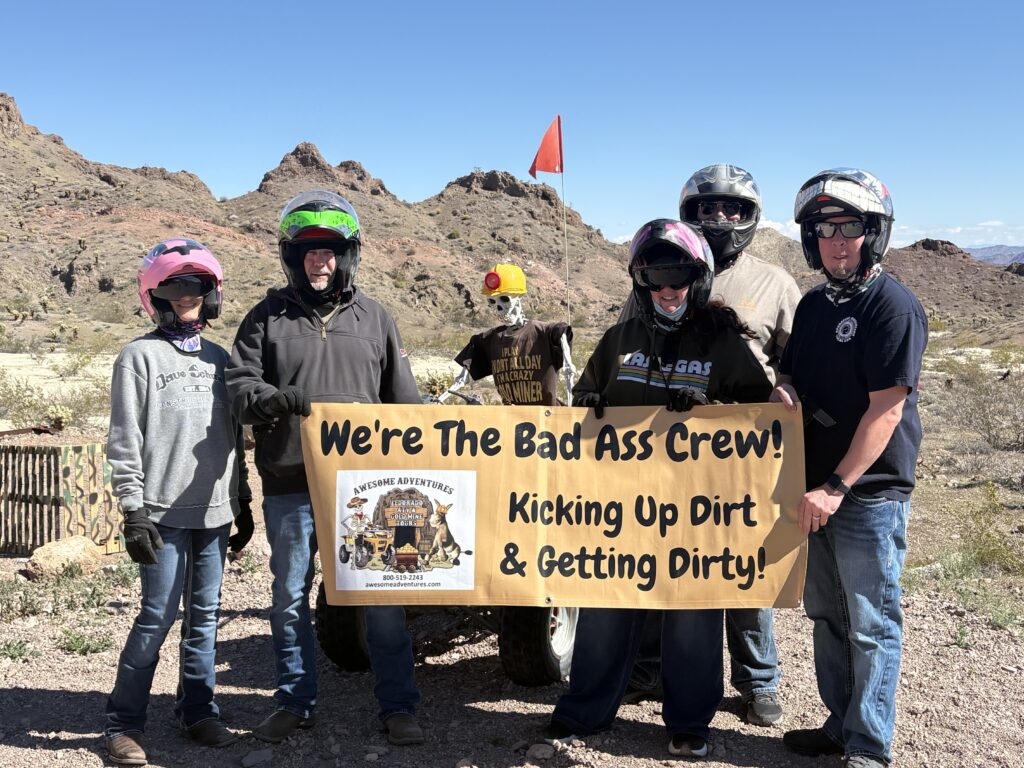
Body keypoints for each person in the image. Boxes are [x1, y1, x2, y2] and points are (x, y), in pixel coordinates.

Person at [546, 219, 773, 758]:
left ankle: (690, 721)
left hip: (698, 512)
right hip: (620, 507)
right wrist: (588, 406)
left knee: (693, 617)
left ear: (698, 280)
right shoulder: (619, 339)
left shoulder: (724, 342)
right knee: (604, 607)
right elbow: (584, 394)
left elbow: (762, 422)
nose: (668, 291)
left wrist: (711, 415)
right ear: (640, 281)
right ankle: (585, 710)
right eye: (656, 278)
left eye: (680, 278)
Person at [226, 190, 425, 746]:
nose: (321, 260)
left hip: (368, 488)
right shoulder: (265, 317)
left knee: (382, 600)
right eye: (309, 250)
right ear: (292, 257)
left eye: (331, 249)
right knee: (289, 596)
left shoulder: (376, 318)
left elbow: (407, 407)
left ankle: (399, 706)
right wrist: (270, 400)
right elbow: (238, 388)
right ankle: (295, 701)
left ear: (348, 254)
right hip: (291, 482)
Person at [619, 164, 801, 726]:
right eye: (705, 209)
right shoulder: (657, 270)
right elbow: (628, 346)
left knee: (742, 566)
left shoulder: (776, 283)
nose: (718, 218)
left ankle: (757, 680)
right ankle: (648, 667)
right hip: (660, 450)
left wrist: (788, 390)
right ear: (687, 215)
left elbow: (796, 362)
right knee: (655, 558)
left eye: (732, 209)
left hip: (740, 457)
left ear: (750, 217)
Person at [772, 169, 926, 768]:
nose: (839, 243)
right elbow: (795, 374)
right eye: (826, 230)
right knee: (827, 615)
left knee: (871, 622)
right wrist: (783, 389)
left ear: (873, 233)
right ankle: (840, 725)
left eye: (851, 229)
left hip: (865, 493)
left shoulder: (892, 306)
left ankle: (868, 744)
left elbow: (886, 411)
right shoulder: (812, 306)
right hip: (815, 489)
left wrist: (836, 487)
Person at [104, 239, 253, 765]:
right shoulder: (138, 357)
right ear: (155, 296)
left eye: (196, 286)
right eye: (174, 287)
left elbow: (232, 436)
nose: (186, 295)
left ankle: (199, 710)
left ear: (210, 295)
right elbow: (124, 439)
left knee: (206, 616)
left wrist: (242, 498)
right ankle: (122, 722)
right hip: (161, 513)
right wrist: (132, 509)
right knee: (157, 615)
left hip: (214, 512)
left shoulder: (222, 359)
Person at [440, 263, 576, 405]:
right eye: (492, 302)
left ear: (519, 298)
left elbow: (567, 359)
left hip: (546, 421)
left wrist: (572, 411)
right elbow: (463, 377)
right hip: (510, 420)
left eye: (505, 299)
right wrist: (441, 399)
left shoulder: (546, 333)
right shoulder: (488, 340)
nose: (499, 308)